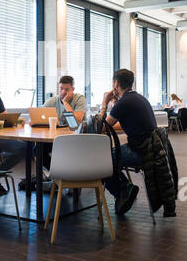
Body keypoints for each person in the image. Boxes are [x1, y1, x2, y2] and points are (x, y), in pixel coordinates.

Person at [92, 69, 158, 215]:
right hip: (150, 148)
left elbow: (101, 127)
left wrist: (104, 102)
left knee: (101, 160)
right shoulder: (137, 98)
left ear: (115, 83)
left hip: (140, 152)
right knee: (111, 156)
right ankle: (125, 188)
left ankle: (124, 190)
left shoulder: (124, 102)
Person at [41, 75, 86, 170]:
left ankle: (61, 176)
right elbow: (38, 114)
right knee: (37, 150)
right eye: (61, 88)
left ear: (73, 89)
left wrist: (65, 102)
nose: (63, 92)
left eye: (66, 89)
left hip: (76, 139)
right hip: (57, 138)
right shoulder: (53, 101)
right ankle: (58, 175)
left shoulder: (79, 99)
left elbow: (77, 121)